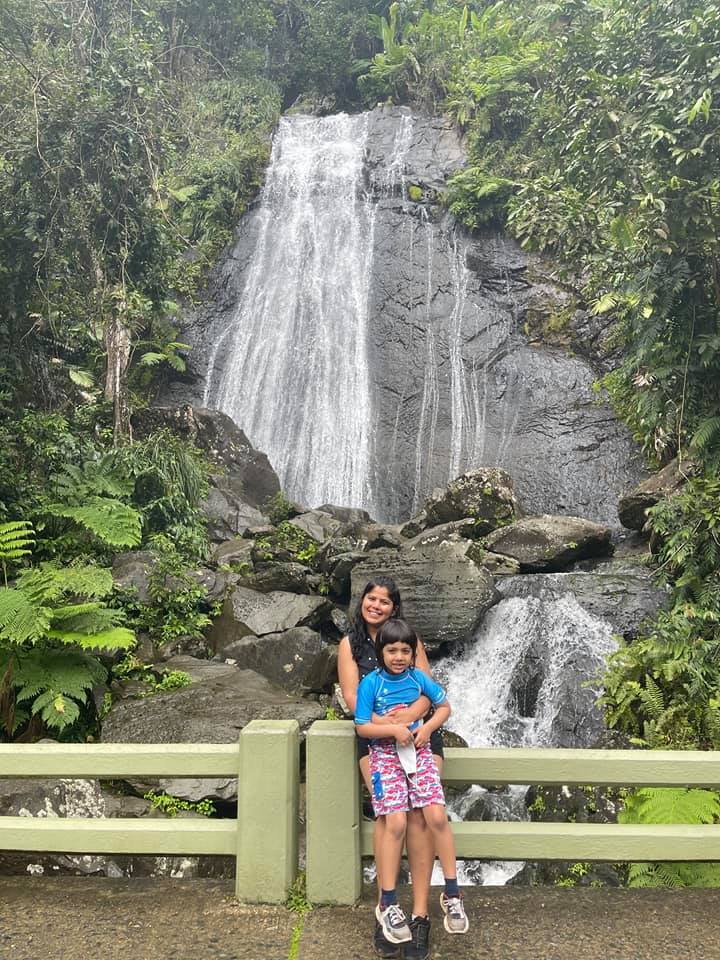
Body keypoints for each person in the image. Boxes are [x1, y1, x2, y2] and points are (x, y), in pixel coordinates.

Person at [338, 577, 441, 960]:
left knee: (421, 819)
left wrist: (410, 721)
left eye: (384, 601)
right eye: (371, 598)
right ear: (362, 602)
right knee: (390, 818)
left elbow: (428, 690)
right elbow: (352, 700)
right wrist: (388, 727)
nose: (376, 605)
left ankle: (419, 916)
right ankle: (387, 909)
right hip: (375, 738)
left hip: (419, 736)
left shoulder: (411, 640)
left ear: (394, 608)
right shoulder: (350, 645)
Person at [354, 618, 469, 946]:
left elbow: (444, 706)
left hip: (418, 754)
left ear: (414, 653)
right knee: (396, 824)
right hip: (385, 757)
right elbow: (362, 725)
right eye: (392, 650)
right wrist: (393, 729)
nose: (400, 656)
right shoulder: (371, 684)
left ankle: (451, 892)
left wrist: (428, 728)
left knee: (435, 816)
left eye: (406, 651)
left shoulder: (418, 679)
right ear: (381, 651)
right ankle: (388, 903)